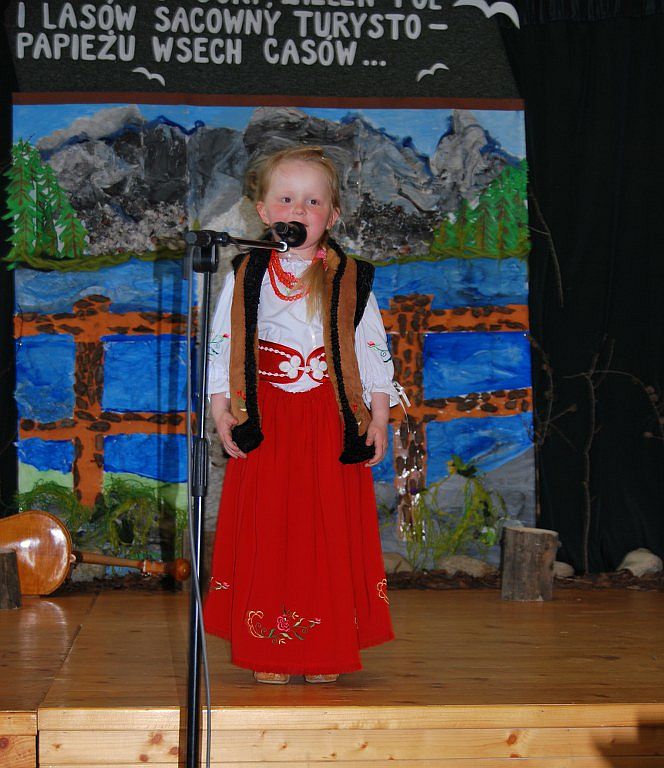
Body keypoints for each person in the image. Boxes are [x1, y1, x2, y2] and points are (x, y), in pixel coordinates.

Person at [204, 145, 398, 684]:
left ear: (331, 215)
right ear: (263, 211)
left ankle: (324, 644)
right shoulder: (248, 272)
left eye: (313, 201)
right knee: (270, 527)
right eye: (286, 199)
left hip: (329, 419)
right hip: (270, 418)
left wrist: (379, 417)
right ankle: (268, 644)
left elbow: (372, 350)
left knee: (324, 529)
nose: (298, 209)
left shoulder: (351, 278)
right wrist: (221, 409)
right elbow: (223, 343)